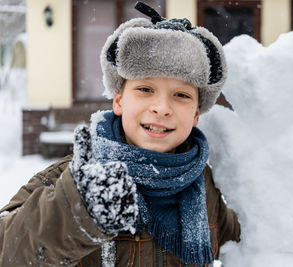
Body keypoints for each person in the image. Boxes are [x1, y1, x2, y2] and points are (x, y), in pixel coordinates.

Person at [0, 2, 240, 266]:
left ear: (195, 114)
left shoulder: (207, 186)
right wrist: (73, 212)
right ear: (118, 101)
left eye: (181, 95)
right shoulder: (69, 181)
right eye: (145, 89)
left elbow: (253, 246)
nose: (161, 108)